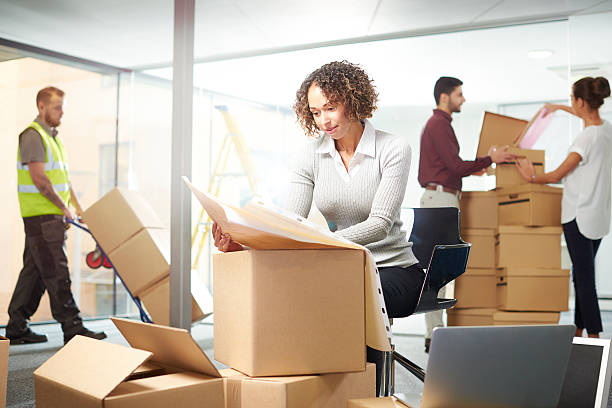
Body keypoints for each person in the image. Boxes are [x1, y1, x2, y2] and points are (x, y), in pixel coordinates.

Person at [212, 61, 424, 395]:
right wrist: (243, 243)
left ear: (353, 101)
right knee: (305, 287)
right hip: (340, 266)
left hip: (392, 267)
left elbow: (380, 225)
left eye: (331, 107)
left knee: (345, 296)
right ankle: (316, 387)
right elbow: (289, 223)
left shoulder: (393, 148)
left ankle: (368, 392)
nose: (324, 120)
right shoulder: (309, 155)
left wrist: (318, 242)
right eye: (314, 112)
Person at [418, 76, 515, 353]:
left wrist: (476, 167)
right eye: (460, 94)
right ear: (445, 97)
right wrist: (489, 158)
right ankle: (435, 332)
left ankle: (434, 332)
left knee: (439, 267)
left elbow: (453, 166)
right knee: (439, 268)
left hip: (441, 197)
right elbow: (456, 165)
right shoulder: (439, 124)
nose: (464, 99)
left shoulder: (439, 125)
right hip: (441, 200)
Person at [6, 86, 107, 345]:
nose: (62, 112)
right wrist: (64, 209)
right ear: (41, 106)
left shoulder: (53, 138)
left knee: (35, 273)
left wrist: (77, 206)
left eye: (62, 107)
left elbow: (62, 179)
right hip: (42, 217)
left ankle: (17, 327)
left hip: (49, 215)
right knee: (57, 272)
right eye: (57, 107)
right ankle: (72, 327)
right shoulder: (33, 135)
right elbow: (40, 179)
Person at [516, 76, 612, 339]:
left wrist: (531, 176)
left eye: (572, 100)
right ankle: (580, 330)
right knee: (583, 274)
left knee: (583, 278)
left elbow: (558, 174)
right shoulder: (606, 130)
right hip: (599, 217)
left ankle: (593, 336)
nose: (571, 103)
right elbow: (588, 115)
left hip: (577, 217)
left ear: (582, 101)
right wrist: (560, 108)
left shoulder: (584, 139)